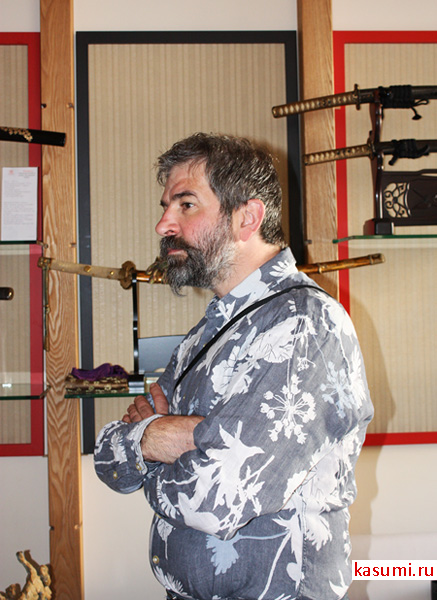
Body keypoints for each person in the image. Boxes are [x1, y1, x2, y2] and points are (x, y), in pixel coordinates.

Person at [94, 133, 373, 600]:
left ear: (248, 217)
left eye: (186, 205)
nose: (163, 224)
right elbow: (110, 462)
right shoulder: (208, 331)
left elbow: (215, 498)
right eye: (166, 206)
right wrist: (158, 436)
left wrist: (152, 444)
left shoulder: (305, 324)